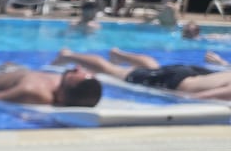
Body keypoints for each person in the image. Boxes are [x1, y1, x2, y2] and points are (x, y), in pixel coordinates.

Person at [53, 48, 231, 100]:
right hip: (177, 82)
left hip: (191, 75)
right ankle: (68, 55)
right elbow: (202, 96)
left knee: (153, 69)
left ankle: (120, 54)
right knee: (112, 70)